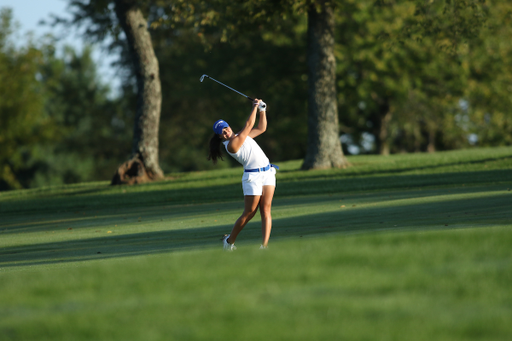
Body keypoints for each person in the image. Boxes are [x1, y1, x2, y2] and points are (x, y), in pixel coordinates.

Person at [208, 99, 277, 251]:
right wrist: (254, 107)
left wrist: (262, 110)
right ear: (220, 137)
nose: (226, 132)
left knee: (266, 210)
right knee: (249, 213)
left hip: (268, 173)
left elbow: (261, 128)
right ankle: (229, 241)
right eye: (222, 133)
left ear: (229, 127)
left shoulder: (241, 136)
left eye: (226, 128)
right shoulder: (231, 145)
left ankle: (264, 247)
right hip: (252, 178)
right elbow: (249, 125)